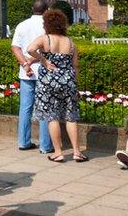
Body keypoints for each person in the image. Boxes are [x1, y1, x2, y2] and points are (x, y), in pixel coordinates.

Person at [26, 9, 87, 163]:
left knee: (52, 117)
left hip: (48, 83)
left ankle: (58, 152)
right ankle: (77, 152)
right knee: (70, 117)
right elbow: (75, 66)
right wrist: (74, 84)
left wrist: (43, 60)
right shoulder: (71, 43)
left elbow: (30, 49)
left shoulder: (45, 39)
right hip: (68, 82)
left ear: (47, 24)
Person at [10, 0, 53, 153]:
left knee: (25, 108)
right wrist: (32, 60)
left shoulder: (22, 25)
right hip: (44, 69)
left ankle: (23, 141)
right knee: (45, 107)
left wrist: (25, 64)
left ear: (32, 9)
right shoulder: (48, 25)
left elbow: (15, 47)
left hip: (26, 72)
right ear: (46, 10)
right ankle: (45, 145)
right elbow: (49, 49)